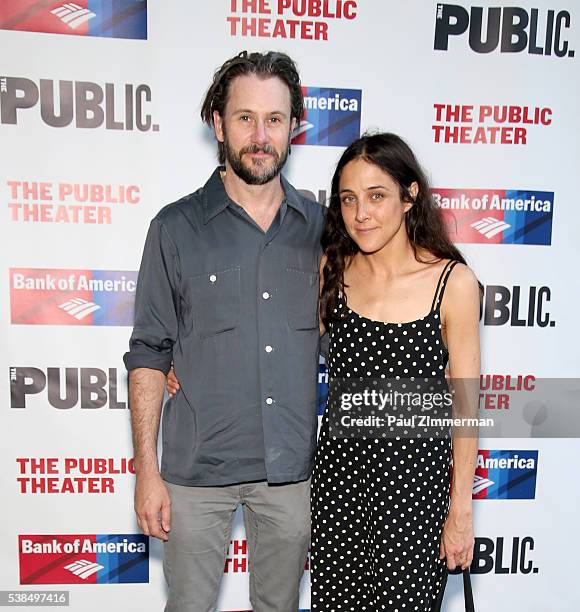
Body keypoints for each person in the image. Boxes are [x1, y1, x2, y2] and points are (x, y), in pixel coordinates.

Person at [123, 51, 324, 612]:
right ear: (218, 123)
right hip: (195, 472)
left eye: (275, 119)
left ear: (293, 128)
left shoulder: (322, 231)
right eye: (245, 118)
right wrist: (147, 472)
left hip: (291, 472)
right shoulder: (174, 228)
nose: (261, 136)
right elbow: (148, 353)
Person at [310, 132, 480, 610]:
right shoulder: (332, 270)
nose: (360, 213)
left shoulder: (452, 282)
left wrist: (460, 511)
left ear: (410, 196)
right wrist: (186, 364)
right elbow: (283, 356)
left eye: (377, 196)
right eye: (348, 199)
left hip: (414, 493)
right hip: (339, 485)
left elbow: (466, 406)